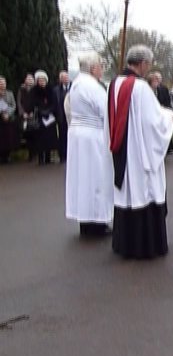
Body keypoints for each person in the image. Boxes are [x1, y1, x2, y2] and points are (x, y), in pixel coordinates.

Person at [108, 45, 173, 259]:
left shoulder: (114, 83)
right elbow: (152, 122)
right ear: (142, 63)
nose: (149, 69)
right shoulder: (140, 88)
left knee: (128, 195)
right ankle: (146, 246)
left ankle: (125, 244)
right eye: (149, 64)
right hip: (140, 153)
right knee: (144, 191)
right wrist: (170, 117)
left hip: (123, 150)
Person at [65, 53, 113, 236]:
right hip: (92, 136)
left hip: (78, 135)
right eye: (101, 65)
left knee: (82, 178)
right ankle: (96, 221)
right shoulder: (92, 86)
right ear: (93, 68)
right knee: (96, 177)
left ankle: (85, 220)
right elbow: (106, 110)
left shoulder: (76, 84)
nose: (102, 69)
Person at [31, 70, 58, 166]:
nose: (42, 82)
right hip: (40, 117)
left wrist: (49, 111)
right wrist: (42, 111)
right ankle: (40, 158)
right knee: (40, 139)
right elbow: (34, 103)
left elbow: (54, 103)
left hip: (50, 117)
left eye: (43, 80)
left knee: (49, 138)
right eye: (40, 80)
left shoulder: (51, 90)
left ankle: (48, 157)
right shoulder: (34, 91)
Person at [53, 70, 71, 162]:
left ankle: (71, 155)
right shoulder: (56, 90)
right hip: (61, 117)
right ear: (60, 79)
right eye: (63, 77)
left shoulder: (73, 88)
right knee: (62, 136)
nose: (66, 79)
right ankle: (62, 156)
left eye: (67, 77)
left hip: (72, 117)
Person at [0, 76, 18, 164]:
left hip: (8, 119)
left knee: (8, 139)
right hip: (0, 119)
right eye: (0, 83)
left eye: (3, 83)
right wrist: (1, 113)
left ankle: (7, 156)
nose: (2, 85)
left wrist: (8, 114)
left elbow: (13, 105)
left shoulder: (9, 93)